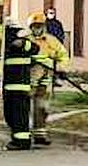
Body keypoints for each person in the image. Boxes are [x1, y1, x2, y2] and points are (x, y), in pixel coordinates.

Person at [26, 11, 69, 146]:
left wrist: (61, 69)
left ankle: (40, 135)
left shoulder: (51, 41)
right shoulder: (27, 40)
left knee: (42, 108)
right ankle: (25, 133)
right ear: (30, 27)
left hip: (46, 80)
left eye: (39, 25)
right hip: (28, 81)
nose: (37, 28)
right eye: (34, 26)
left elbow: (62, 55)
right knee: (25, 108)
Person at [2, 23, 36, 150]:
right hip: (10, 88)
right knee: (11, 116)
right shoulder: (5, 44)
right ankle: (17, 139)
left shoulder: (24, 44)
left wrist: (22, 43)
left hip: (20, 89)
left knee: (19, 117)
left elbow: (35, 48)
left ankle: (22, 142)